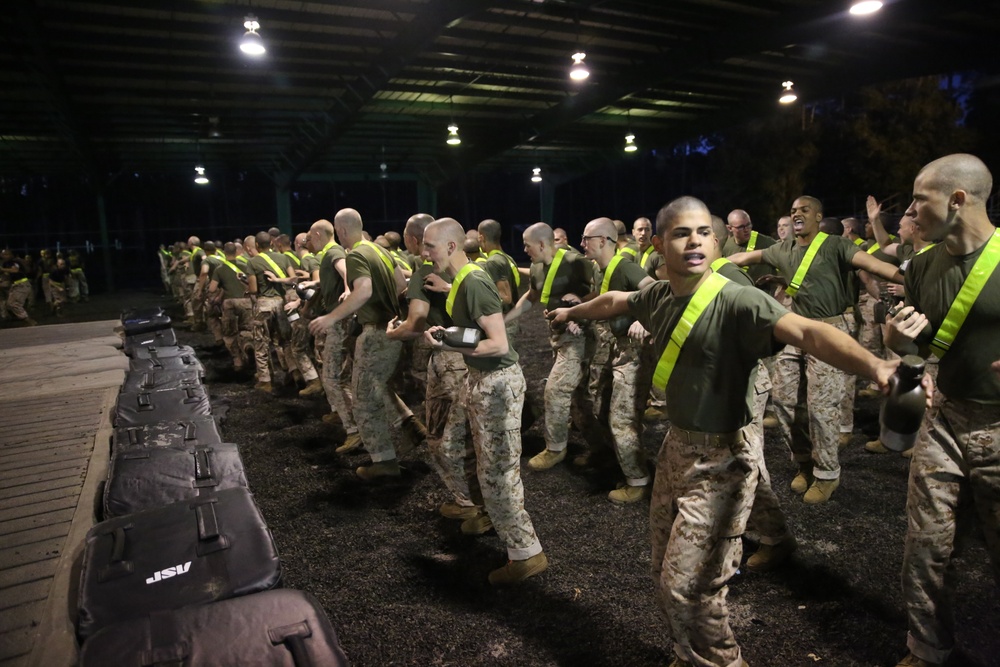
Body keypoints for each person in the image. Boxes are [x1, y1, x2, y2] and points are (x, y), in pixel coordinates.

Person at [547, 196, 897, 667]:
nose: (694, 240)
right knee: (661, 568)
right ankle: (690, 652)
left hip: (723, 458)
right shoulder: (659, 294)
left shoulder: (737, 299)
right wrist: (574, 312)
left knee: (688, 584)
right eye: (679, 233)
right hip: (677, 447)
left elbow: (809, 332)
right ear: (658, 243)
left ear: (715, 242)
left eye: (702, 233)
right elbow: (617, 301)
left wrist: (876, 364)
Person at [884, 154, 998, 667]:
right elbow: (920, 344)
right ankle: (927, 649)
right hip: (945, 421)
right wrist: (897, 342)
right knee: (924, 547)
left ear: (957, 200)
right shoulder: (925, 265)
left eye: (918, 199)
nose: (910, 210)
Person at [729, 195, 904, 503]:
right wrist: (701, 267)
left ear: (818, 217)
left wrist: (914, 282)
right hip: (795, 329)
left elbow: (877, 266)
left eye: (804, 210)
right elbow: (740, 260)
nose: (797, 213)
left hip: (831, 329)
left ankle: (826, 474)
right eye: (793, 210)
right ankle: (804, 463)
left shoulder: (836, 245)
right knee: (783, 402)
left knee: (821, 408)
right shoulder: (782, 249)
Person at [422, 218, 548, 585]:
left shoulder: (473, 281)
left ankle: (527, 553)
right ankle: (493, 517)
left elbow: (498, 343)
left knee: (498, 473)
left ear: (450, 247)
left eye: (430, 246)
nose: (424, 252)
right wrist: (448, 335)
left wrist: (445, 343)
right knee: (472, 457)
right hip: (482, 379)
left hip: (496, 383)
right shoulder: (463, 280)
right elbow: (477, 333)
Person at [307, 208, 426, 480]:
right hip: (390, 329)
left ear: (342, 231)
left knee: (362, 398)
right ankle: (410, 426)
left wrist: (330, 317)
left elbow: (363, 290)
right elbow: (399, 285)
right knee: (376, 385)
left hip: (374, 333)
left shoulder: (357, 254)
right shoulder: (381, 251)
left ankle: (384, 461)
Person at [548, 217, 655, 503]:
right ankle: (615, 460)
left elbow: (656, 293)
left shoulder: (625, 266)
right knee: (604, 407)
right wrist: (579, 306)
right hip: (616, 351)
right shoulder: (601, 268)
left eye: (586, 238)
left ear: (603, 241)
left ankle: (637, 480)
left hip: (633, 352)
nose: (581, 244)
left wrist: (646, 322)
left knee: (622, 418)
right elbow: (604, 297)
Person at [386, 217, 480, 523]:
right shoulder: (472, 269)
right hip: (473, 355)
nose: (424, 251)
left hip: (448, 358)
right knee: (472, 434)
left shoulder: (424, 271)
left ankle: (468, 502)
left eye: (428, 245)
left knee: (442, 438)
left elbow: (415, 322)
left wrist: (393, 334)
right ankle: (482, 501)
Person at [505, 222, 595, 470]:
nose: (524, 250)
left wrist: (578, 304)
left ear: (543, 244)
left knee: (555, 391)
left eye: (527, 245)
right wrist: (505, 320)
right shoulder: (536, 267)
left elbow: (603, 291)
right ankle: (603, 451)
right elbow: (532, 296)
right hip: (558, 337)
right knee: (581, 400)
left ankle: (555, 449)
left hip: (580, 337)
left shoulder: (576, 262)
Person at [722, 209, 777, 285]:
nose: (746, 230)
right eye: (741, 227)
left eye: (748, 225)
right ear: (729, 228)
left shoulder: (767, 242)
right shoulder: (725, 246)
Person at [1, 250, 36, 326]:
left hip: (22, 284)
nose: (5, 256)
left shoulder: (14, 262)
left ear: (11, 255)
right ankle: (20, 317)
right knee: (9, 304)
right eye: (3, 254)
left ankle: (29, 321)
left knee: (14, 304)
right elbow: (7, 275)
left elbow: (15, 270)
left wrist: (2, 269)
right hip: (15, 285)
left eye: (7, 254)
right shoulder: (6, 264)